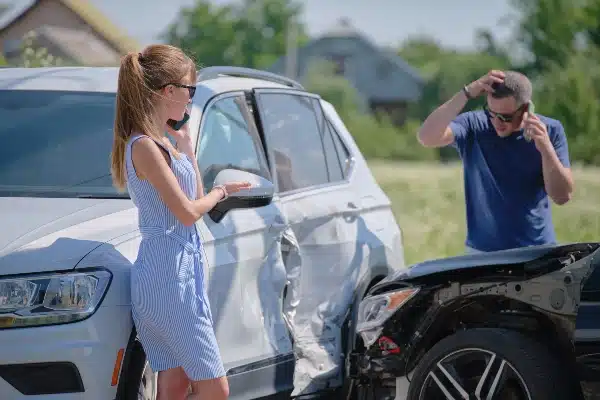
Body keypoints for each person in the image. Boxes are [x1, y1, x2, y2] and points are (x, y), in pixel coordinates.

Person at [110, 44, 251, 400]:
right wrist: (220, 193)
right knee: (216, 389)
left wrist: (187, 148)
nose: (192, 98)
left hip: (178, 272)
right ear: (168, 91)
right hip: (168, 277)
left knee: (173, 386)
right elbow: (188, 211)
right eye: (191, 90)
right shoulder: (144, 146)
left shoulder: (163, 144)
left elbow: (191, 199)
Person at [417, 70, 574, 253]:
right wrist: (467, 93)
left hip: (537, 250)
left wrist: (545, 149)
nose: (496, 122)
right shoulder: (473, 125)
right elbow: (426, 137)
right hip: (482, 253)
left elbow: (562, 196)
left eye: (506, 117)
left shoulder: (551, 131)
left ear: (526, 109)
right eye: (491, 113)